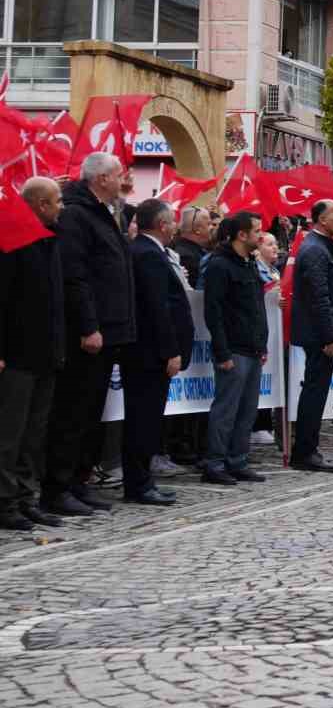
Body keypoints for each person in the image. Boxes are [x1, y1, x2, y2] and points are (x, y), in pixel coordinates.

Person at [42, 152, 134, 517]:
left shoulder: (104, 214)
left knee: (90, 414)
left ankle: (78, 481)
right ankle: (57, 486)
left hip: (110, 332)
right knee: (72, 413)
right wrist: (89, 325)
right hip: (88, 336)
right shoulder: (78, 216)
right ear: (100, 179)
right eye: (118, 175)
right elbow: (76, 276)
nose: (123, 181)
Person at [0, 178, 67, 530]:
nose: (61, 207)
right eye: (57, 201)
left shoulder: (49, 242)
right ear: (40, 205)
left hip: (45, 354)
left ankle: (27, 498)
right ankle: (5, 502)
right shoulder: (12, 242)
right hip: (17, 355)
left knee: (33, 434)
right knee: (9, 435)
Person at [123, 199, 193, 506]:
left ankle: (141, 481)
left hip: (148, 351)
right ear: (162, 225)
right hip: (150, 353)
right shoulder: (148, 254)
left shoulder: (149, 251)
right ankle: (139, 484)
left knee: (147, 419)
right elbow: (157, 307)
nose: (176, 226)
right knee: (144, 420)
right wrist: (170, 351)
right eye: (173, 221)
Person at [203, 211, 270, 486]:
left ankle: (238, 460)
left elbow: (256, 307)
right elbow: (213, 311)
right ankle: (215, 464)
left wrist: (262, 344)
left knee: (247, 410)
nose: (261, 235)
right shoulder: (220, 265)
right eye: (257, 230)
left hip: (252, 348)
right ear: (241, 235)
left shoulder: (249, 263)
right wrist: (222, 352)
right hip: (233, 349)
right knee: (226, 410)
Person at [289, 199, 333, 472]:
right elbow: (318, 298)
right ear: (321, 220)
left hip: (320, 333)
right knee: (314, 392)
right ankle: (305, 452)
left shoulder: (322, 247)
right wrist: (329, 337)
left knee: (316, 390)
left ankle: (307, 449)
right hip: (318, 336)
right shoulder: (315, 250)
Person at [172, 206, 212, 289]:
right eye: (208, 224)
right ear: (197, 229)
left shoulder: (192, 251)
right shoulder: (187, 256)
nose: (212, 228)